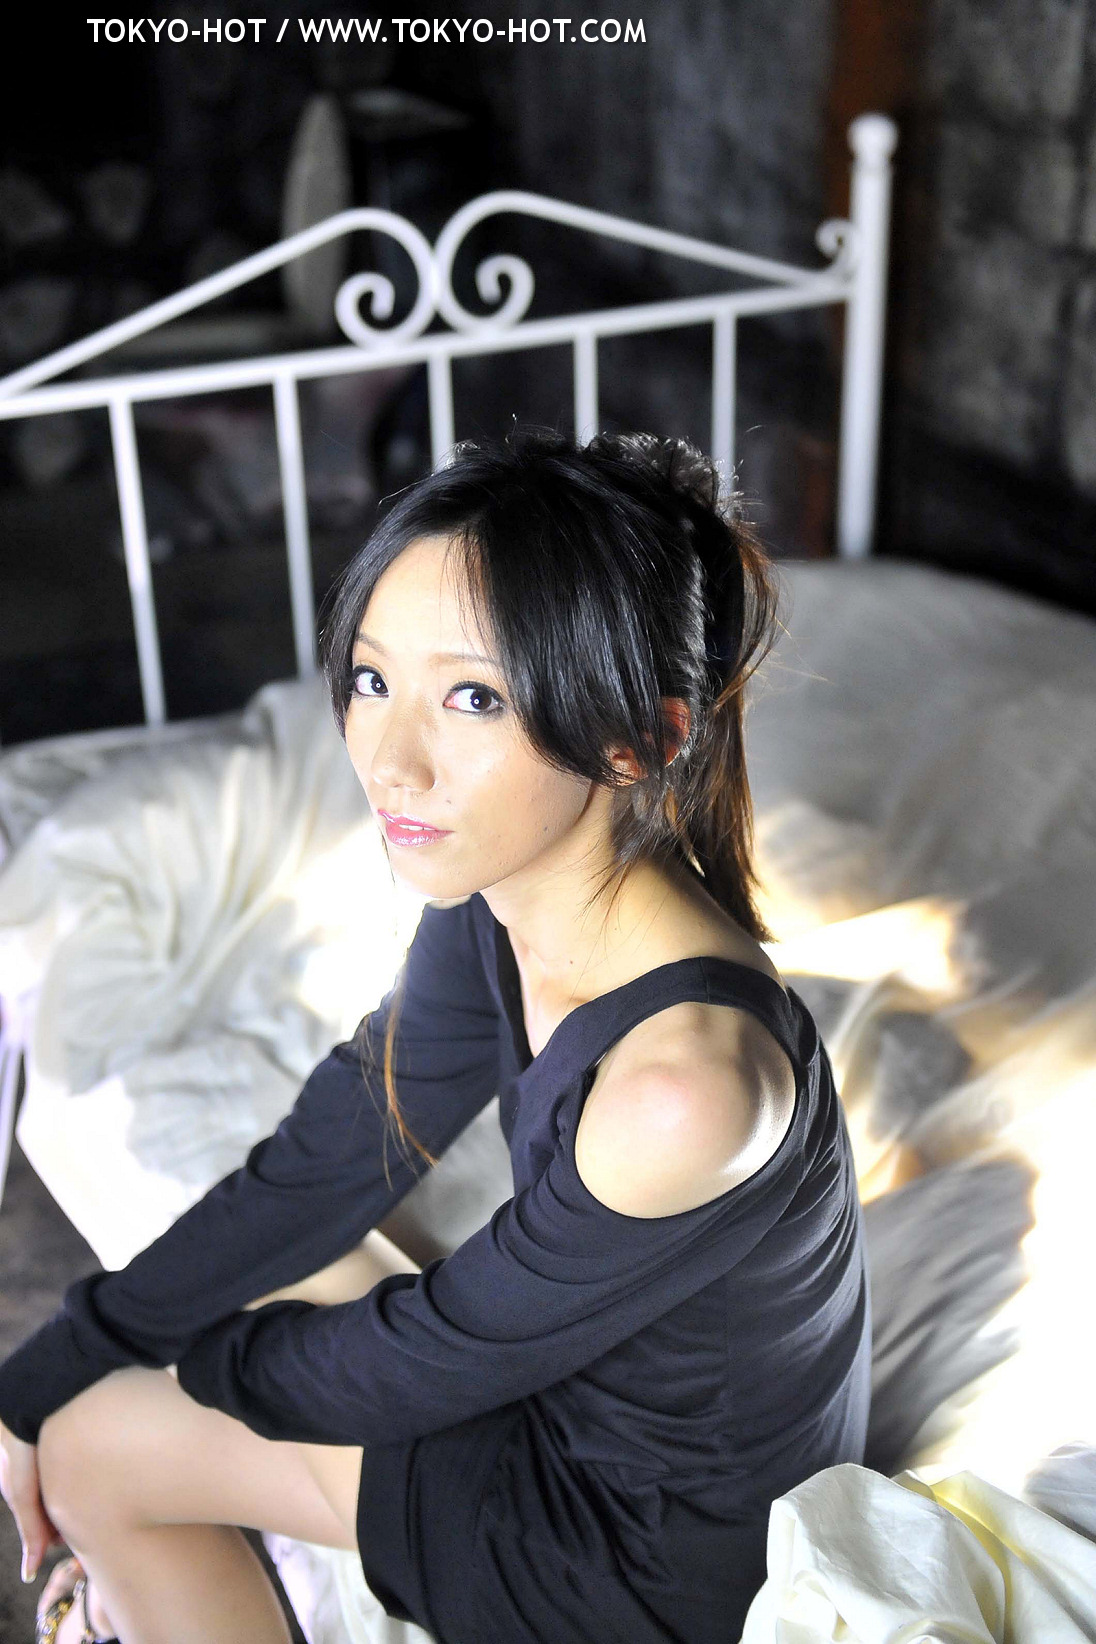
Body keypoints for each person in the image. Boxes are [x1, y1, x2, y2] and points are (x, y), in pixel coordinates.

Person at [0, 427, 871, 1644]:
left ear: (642, 737)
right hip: (565, 1420)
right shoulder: (500, 901)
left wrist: (175, 1375)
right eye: (371, 680)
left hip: (644, 1572)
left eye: (473, 698)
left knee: (97, 1449)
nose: (391, 760)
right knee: (264, 1269)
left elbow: (434, 1354)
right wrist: (51, 1364)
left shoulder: (685, 1090)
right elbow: (324, 1165)